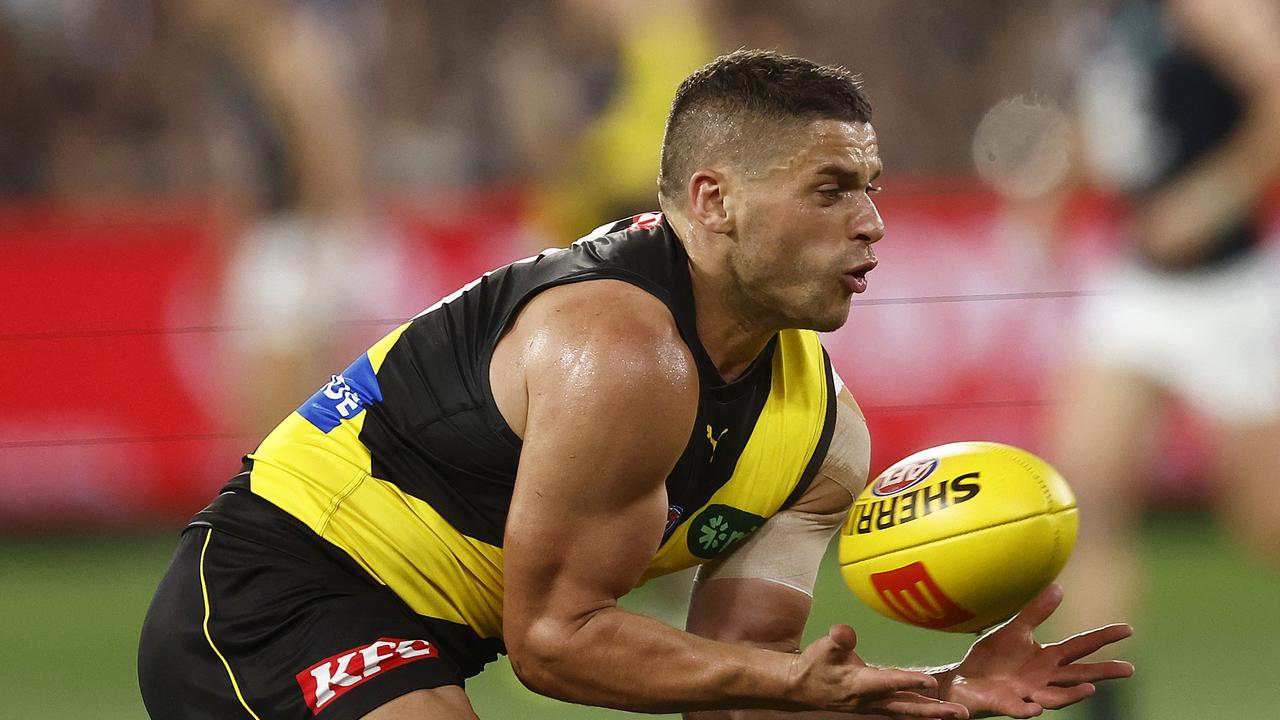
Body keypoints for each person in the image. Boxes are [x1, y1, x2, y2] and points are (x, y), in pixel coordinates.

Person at [138, 50, 1133, 720]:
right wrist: (826, 685)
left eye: (870, 189)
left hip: (427, 639)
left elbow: (745, 694)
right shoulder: (616, 346)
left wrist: (928, 690)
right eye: (830, 191)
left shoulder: (823, 436)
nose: (871, 223)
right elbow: (554, 642)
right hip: (271, 592)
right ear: (714, 201)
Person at [1048, 0, 1280, 717]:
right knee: (1085, 495)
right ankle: (1105, 705)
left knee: (1264, 523)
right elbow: (1120, 111)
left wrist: (1213, 195)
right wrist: (1054, 184)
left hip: (1233, 290)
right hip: (1138, 284)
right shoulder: (1106, 16)